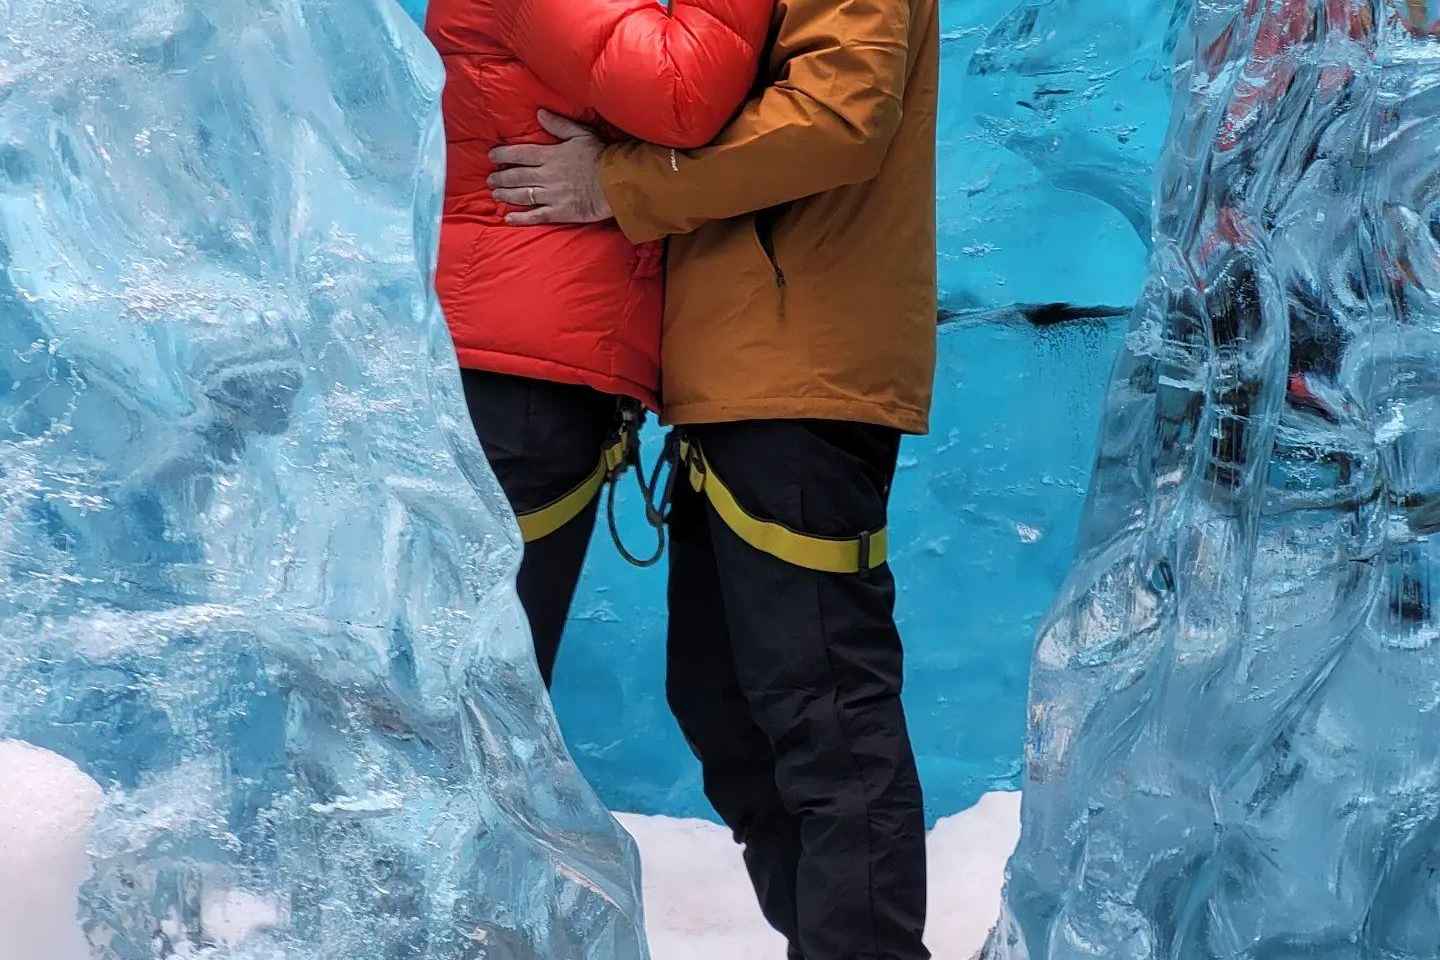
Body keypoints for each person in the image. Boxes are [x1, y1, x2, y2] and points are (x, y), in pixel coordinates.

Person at [483, 0, 941, 953]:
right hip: (740, 372)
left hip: (801, 367)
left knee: (824, 718)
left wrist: (619, 183)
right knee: (725, 703)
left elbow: (839, 115)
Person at [423, 0, 772, 687]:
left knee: (487, 692)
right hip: (519, 375)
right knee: (481, 700)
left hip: (528, 364)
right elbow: (682, 94)